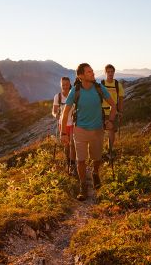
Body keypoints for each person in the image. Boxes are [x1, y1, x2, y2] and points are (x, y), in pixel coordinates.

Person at [61, 63, 117, 201]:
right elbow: (65, 112)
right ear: (80, 76)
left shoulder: (99, 88)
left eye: (92, 71)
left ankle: (95, 173)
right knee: (81, 160)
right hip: (80, 130)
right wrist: (63, 133)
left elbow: (113, 106)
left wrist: (110, 120)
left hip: (97, 129)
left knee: (97, 158)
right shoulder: (75, 90)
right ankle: (83, 186)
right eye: (89, 72)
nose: (92, 73)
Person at [52, 77, 76, 175]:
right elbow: (53, 111)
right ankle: (69, 162)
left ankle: (73, 165)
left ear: (70, 84)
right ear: (60, 85)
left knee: (73, 144)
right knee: (66, 145)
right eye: (63, 85)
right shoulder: (58, 97)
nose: (65, 86)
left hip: (74, 123)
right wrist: (56, 115)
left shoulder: (74, 95)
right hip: (63, 124)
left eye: (67, 84)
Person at [101, 64, 125, 153]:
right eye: (108, 72)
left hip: (113, 112)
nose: (110, 74)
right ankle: (100, 150)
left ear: (114, 72)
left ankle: (109, 150)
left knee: (111, 132)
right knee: (100, 132)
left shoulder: (118, 85)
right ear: (105, 73)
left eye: (112, 72)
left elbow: (121, 100)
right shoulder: (102, 84)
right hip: (102, 111)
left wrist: (120, 111)